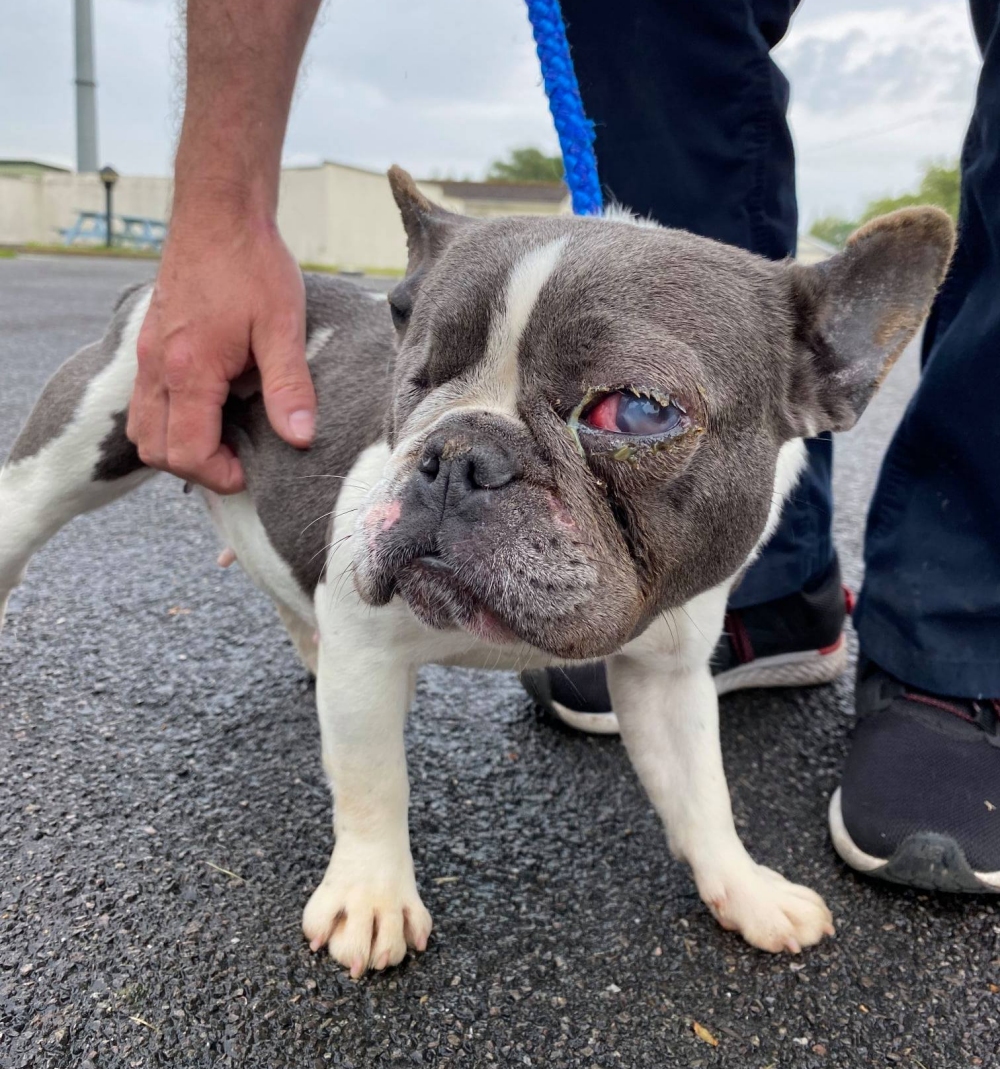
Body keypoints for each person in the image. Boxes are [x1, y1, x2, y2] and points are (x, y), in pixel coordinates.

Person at [129, 0, 1000, 892]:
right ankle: (741, 596)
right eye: (429, 382)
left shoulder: (787, 358)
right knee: (659, 50)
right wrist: (220, 217)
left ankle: (957, 645)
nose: (461, 470)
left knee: (668, 650)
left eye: (630, 412)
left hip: (690, 518)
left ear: (831, 365)